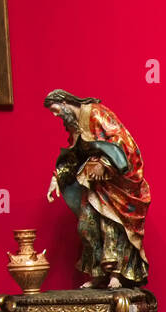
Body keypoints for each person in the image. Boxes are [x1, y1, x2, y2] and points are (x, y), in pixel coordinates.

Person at [44, 90, 151, 289]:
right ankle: (98, 273)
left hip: (113, 185)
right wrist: (56, 179)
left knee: (111, 226)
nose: (55, 115)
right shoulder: (75, 126)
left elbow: (121, 143)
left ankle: (115, 275)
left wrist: (105, 163)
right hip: (91, 183)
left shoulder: (96, 114)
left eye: (55, 109)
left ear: (65, 102)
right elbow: (73, 157)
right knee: (87, 227)